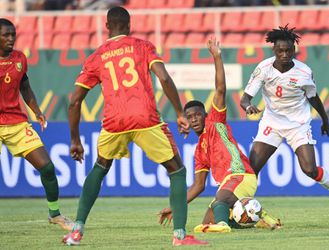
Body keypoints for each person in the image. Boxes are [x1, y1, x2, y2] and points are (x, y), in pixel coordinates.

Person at [62, 6, 207, 246]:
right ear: (129, 26)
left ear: (107, 27)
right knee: (177, 170)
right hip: (145, 117)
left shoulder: (96, 56)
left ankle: (76, 231)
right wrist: (179, 112)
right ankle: (180, 236)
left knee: (100, 167)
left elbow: (74, 100)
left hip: (114, 121)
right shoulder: (143, 46)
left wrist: (75, 139)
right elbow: (163, 78)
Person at [158, 38, 281, 233]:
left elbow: (220, 89)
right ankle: (258, 218)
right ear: (187, 122)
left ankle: (225, 224)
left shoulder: (215, 122)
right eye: (190, 117)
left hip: (241, 175)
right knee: (207, 221)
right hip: (228, 184)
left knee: (219, 205)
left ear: (205, 115)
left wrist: (217, 56)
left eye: (198, 114)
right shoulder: (199, 151)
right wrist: (176, 207)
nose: (195, 119)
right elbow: (198, 186)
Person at [240, 25, 329, 220]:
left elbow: (313, 98)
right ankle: (244, 211)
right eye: (280, 50)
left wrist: (325, 120)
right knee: (252, 169)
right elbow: (244, 99)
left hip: (298, 124)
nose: (284, 54)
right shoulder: (263, 69)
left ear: (294, 49)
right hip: (272, 123)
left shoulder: (304, 72)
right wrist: (248, 106)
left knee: (309, 169)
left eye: (288, 50)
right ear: (274, 49)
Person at [0, 18, 73, 230]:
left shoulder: (20, 58)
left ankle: (55, 214)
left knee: (47, 167)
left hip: (16, 123)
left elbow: (25, 87)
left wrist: (37, 111)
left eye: (13, 34)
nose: (11, 38)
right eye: (6, 35)